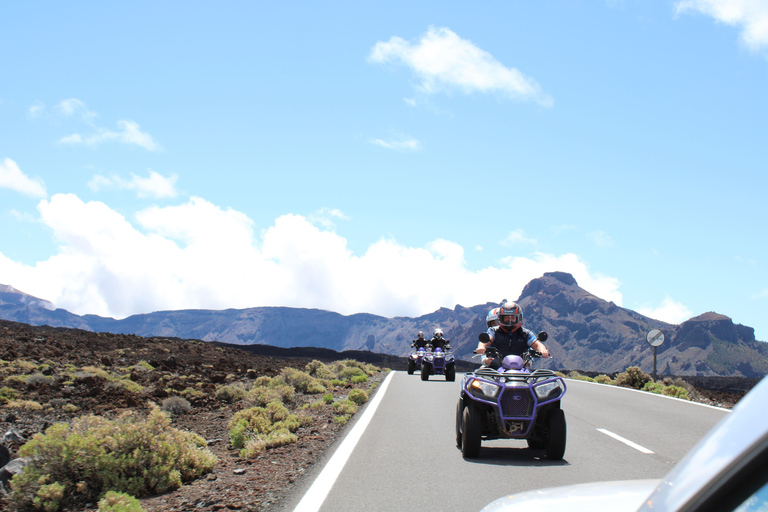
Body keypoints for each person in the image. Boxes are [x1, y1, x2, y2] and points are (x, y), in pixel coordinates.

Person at [476, 301, 549, 369]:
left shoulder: (526, 333)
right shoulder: (494, 331)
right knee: (478, 378)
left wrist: (542, 350)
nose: (509, 320)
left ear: (519, 318)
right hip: (495, 369)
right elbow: (487, 340)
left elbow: (537, 344)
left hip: (520, 369)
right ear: (501, 318)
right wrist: (481, 347)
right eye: (506, 317)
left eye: (513, 317)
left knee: (536, 380)